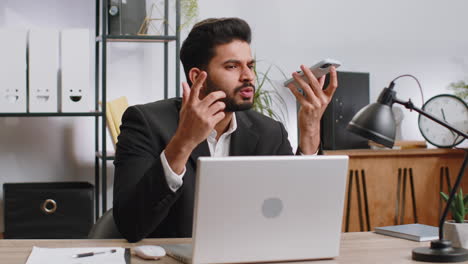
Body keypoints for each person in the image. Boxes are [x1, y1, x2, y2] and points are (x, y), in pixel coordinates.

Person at [113, 17, 338, 242]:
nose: (248, 76)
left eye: (250, 66)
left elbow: (298, 216)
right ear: (196, 77)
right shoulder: (145, 123)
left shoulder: (270, 132)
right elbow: (131, 225)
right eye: (232, 66)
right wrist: (184, 142)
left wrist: (310, 132)